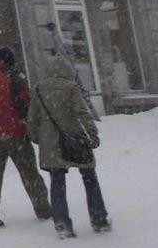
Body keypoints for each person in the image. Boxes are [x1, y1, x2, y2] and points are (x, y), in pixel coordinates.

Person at [0, 47, 51, 228]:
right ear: (7, 61)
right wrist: (27, 122)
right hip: (14, 132)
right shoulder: (13, 77)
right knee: (28, 172)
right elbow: (26, 102)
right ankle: (43, 208)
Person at [26, 56, 110, 238]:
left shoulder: (39, 89)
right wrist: (92, 134)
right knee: (89, 178)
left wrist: (37, 138)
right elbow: (82, 112)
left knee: (57, 183)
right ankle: (99, 219)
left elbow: (32, 119)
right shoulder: (71, 87)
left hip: (50, 144)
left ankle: (62, 224)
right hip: (75, 140)